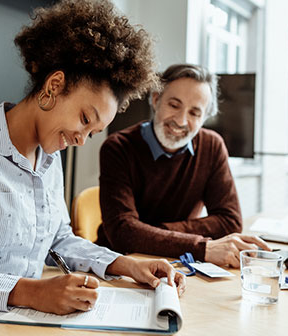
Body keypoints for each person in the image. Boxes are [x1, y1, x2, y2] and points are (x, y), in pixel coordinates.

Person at [0, 0, 186, 322]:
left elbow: (59, 239)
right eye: (85, 119)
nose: (81, 140)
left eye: (94, 132)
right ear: (54, 85)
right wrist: (27, 291)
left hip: (14, 324)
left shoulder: (48, 159)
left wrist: (124, 264)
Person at [96, 63, 269, 267]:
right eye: (174, 105)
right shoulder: (118, 148)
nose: (180, 120)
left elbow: (229, 222)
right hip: (122, 264)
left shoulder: (212, 146)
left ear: (204, 118)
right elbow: (123, 233)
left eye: (194, 113)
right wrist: (201, 247)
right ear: (156, 99)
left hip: (180, 263)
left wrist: (148, 231)